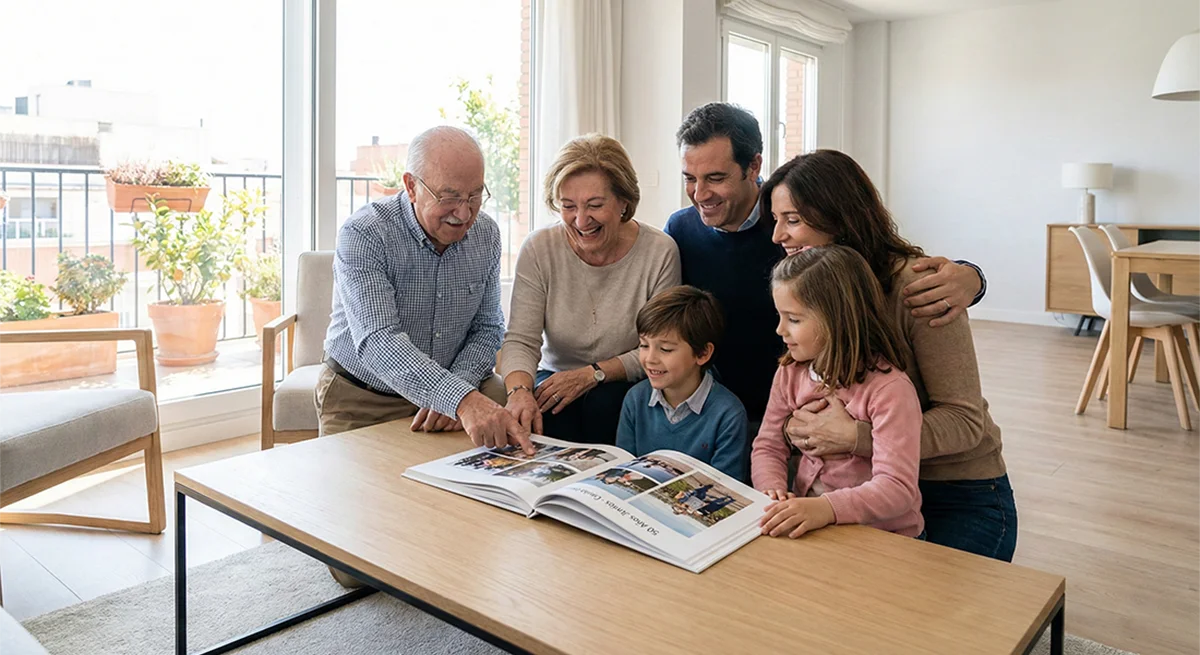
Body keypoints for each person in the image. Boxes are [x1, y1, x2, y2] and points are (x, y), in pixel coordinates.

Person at [665, 102, 988, 425]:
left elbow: (882, 260)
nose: (700, 193)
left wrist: (972, 278)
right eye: (689, 178)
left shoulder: (806, 239)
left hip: (821, 418)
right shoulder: (682, 231)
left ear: (753, 166)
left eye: (716, 177)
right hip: (742, 415)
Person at [767, 150, 1016, 561]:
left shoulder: (917, 288)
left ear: (839, 216)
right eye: (777, 220)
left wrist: (855, 438)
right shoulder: (802, 284)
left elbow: (964, 421)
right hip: (861, 490)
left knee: (922, 601)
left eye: (792, 220)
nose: (778, 235)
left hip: (955, 488)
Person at [317, 125, 532, 447]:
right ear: (411, 187)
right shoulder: (365, 233)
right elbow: (378, 340)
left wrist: (457, 390)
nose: (464, 212)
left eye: (475, 195)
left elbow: (487, 327)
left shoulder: (486, 234)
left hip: (458, 385)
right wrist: (459, 399)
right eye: (449, 197)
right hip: (364, 396)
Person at [499, 134, 681, 444]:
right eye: (568, 206)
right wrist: (518, 392)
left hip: (625, 381)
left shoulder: (660, 252)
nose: (581, 220)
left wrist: (594, 373)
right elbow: (521, 339)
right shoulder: (539, 248)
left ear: (624, 202)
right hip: (554, 377)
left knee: (605, 405)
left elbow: (663, 348)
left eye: (595, 205)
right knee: (546, 413)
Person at [754, 246, 924, 540]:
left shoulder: (890, 390)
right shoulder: (789, 372)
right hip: (813, 528)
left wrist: (824, 509)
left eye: (794, 319)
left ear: (837, 319)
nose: (780, 329)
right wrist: (771, 491)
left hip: (885, 537)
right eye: (780, 316)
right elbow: (768, 446)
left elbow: (897, 488)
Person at [616, 286, 749, 481]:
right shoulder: (635, 399)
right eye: (644, 345)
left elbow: (726, 488)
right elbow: (623, 471)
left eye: (666, 349)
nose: (650, 359)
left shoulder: (728, 414)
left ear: (702, 353)